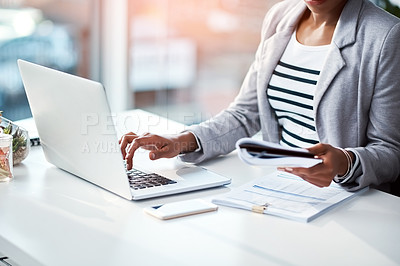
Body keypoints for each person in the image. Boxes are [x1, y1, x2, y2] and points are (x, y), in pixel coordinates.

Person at [120, 0, 400, 195]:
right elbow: (245, 114)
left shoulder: (384, 35)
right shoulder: (280, 17)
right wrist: (181, 141)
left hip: (343, 198)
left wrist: (344, 162)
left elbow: (391, 151)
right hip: (276, 188)